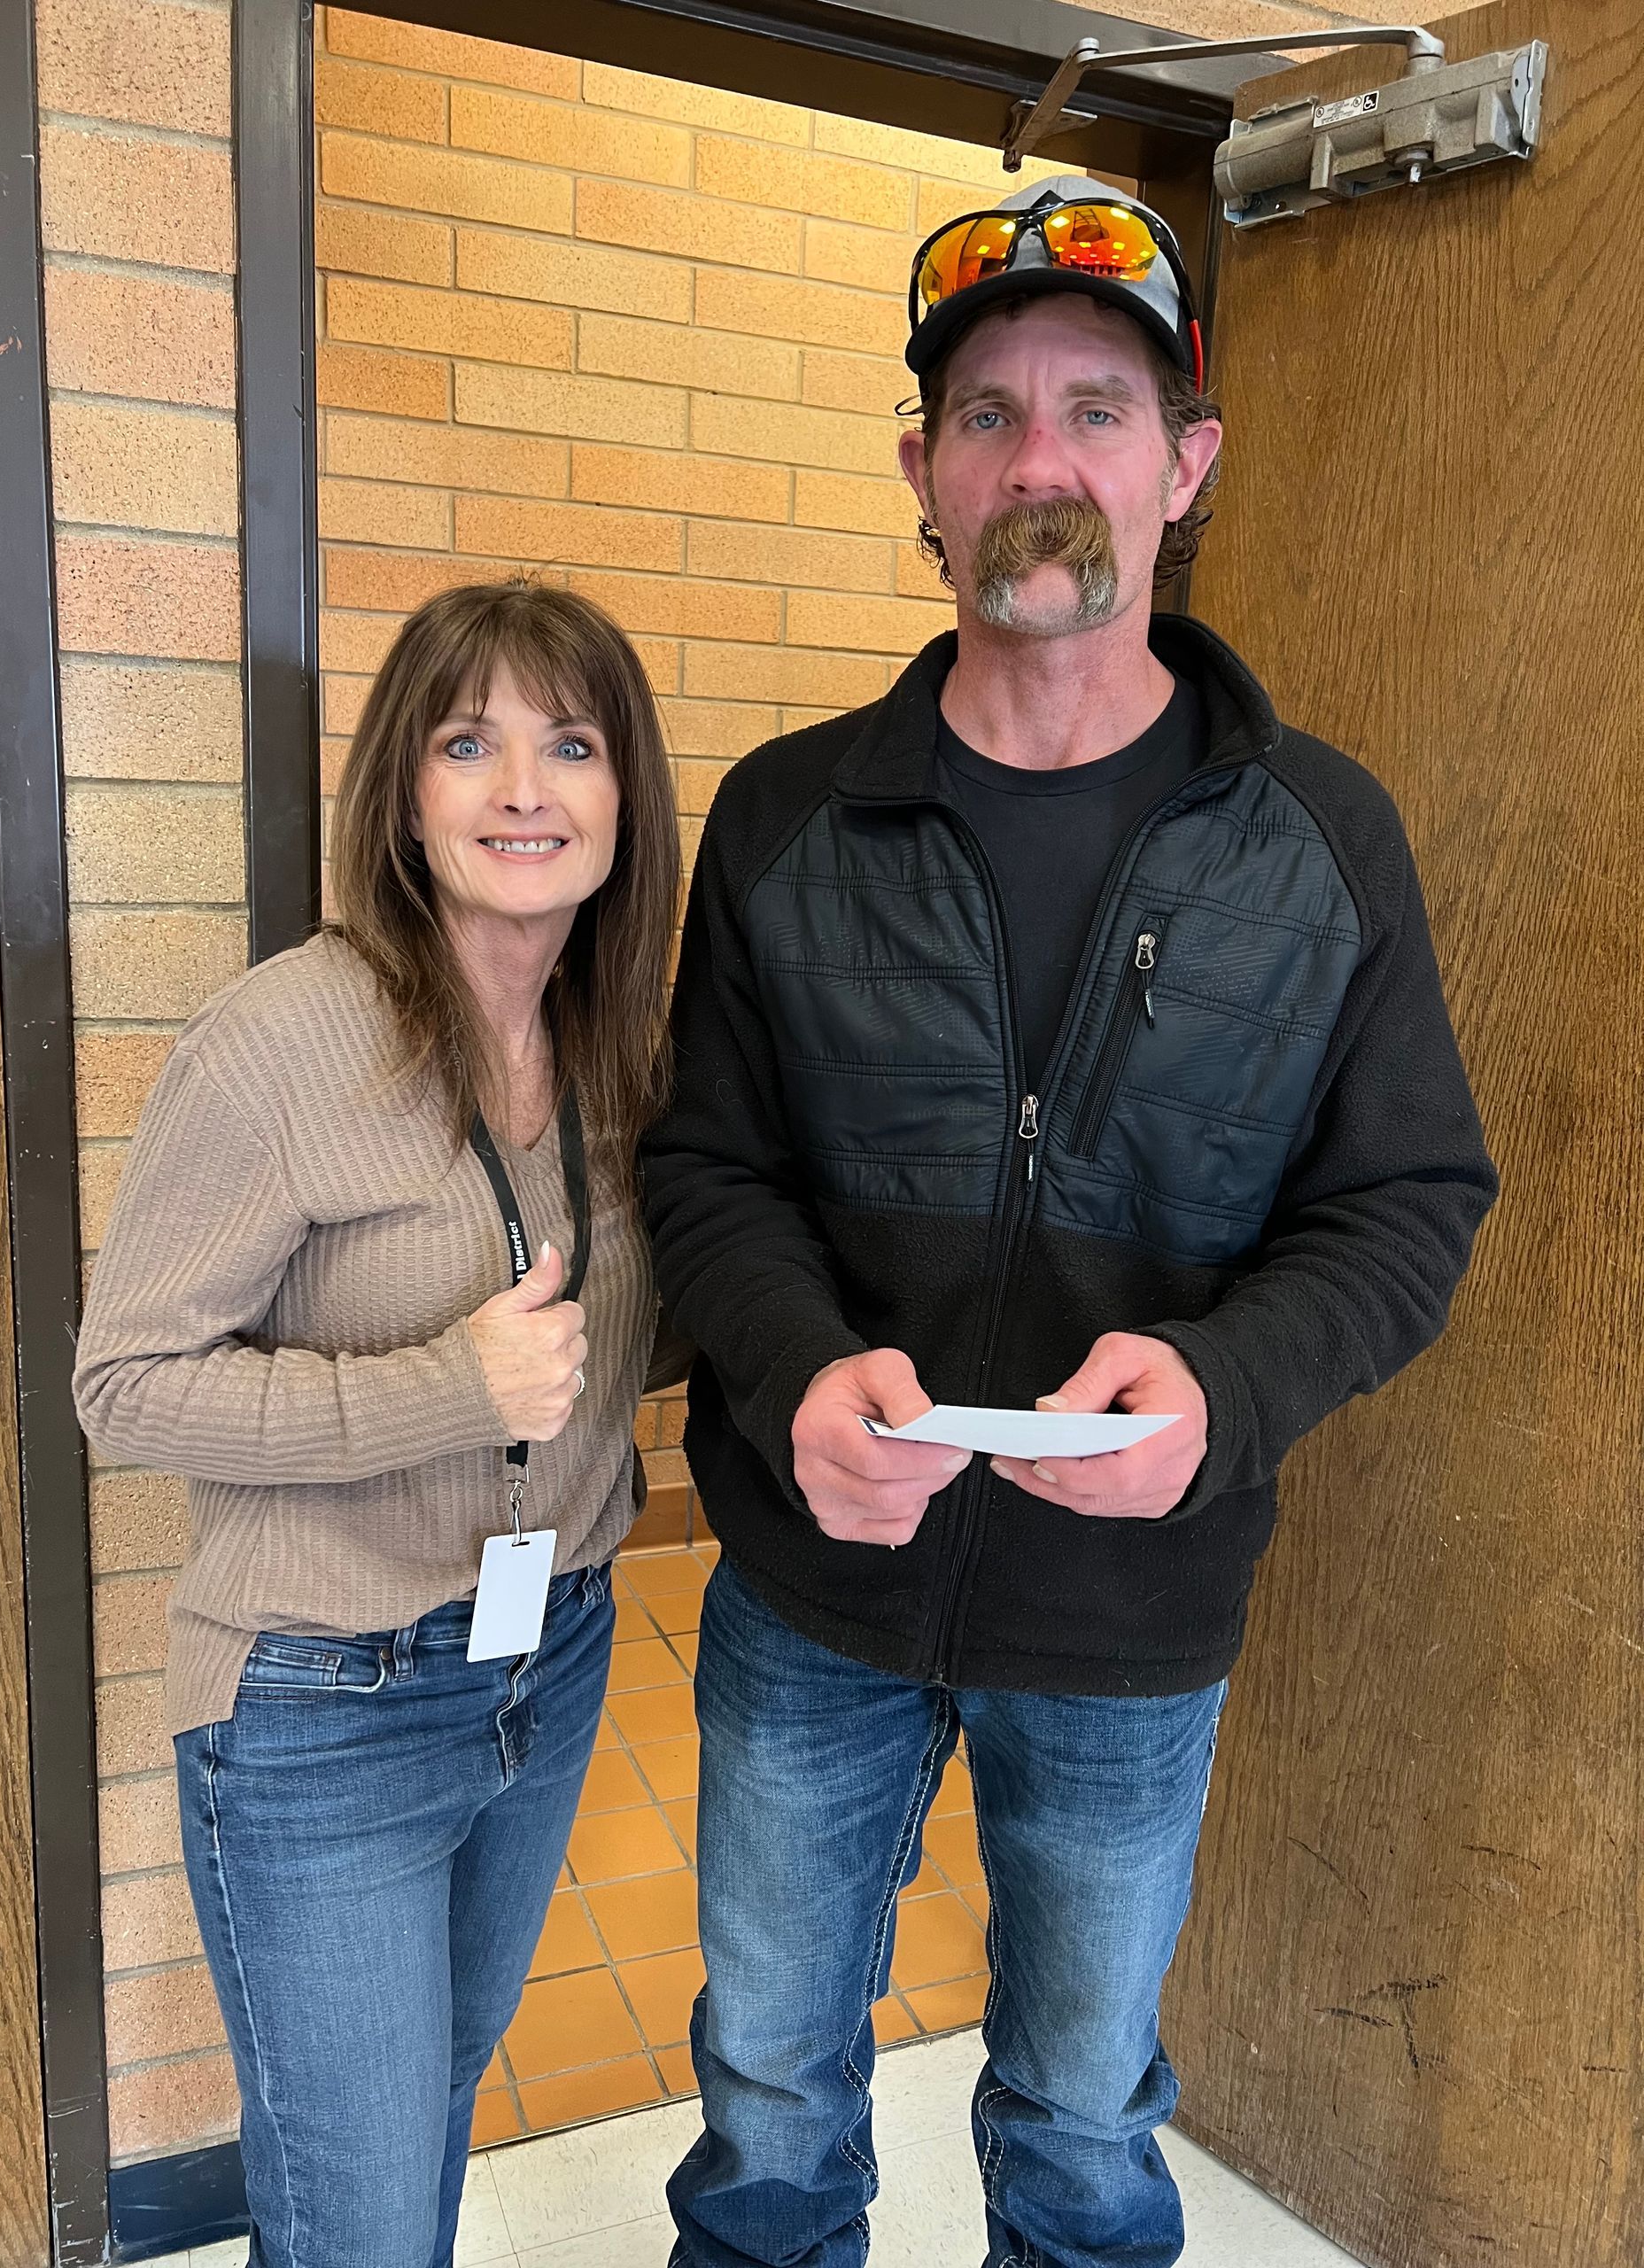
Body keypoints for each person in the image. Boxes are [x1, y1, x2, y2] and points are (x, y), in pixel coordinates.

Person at [643, 176, 1497, 2268]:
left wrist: (1226, 1383)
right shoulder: (784, 816)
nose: (1043, 459)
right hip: (810, 1592)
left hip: (1134, 1624)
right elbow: (705, 1170)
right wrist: (785, 1362)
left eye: (1099, 408)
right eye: (990, 412)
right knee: (763, 2090)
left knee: (1085, 2112)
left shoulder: (1323, 841)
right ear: (921, 475)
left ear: (1186, 465)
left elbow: (1408, 1200)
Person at [74, 580, 682, 2268]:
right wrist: (443, 1387)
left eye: (570, 746)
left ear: (625, 798)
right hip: (323, 1701)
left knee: (418, 2134)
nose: (522, 791)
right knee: (354, 2221)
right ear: (402, 797)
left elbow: (641, 1327)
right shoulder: (287, 1041)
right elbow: (121, 1383)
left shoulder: (612, 1045)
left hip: (546, 1664)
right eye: (467, 742)